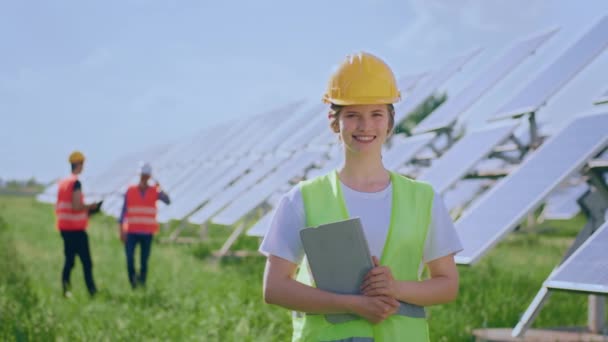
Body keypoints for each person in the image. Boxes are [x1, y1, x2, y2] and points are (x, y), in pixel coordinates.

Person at [260, 52, 463, 341]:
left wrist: (395, 288)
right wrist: (352, 305)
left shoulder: (424, 198)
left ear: (390, 122)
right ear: (334, 122)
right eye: (353, 115)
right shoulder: (301, 198)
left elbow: (447, 284)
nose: (365, 126)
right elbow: (275, 288)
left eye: (376, 114)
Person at [55, 150, 102, 297]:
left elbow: (65, 206)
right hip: (76, 230)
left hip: (64, 227)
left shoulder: (63, 182)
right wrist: (91, 207)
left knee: (69, 260)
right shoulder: (75, 183)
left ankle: (65, 290)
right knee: (86, 262)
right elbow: (76, 206)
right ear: (80, 164)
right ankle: (92, 291)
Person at [118, 162, 170, 289]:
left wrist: (160, 187)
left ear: (149, 176)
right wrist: (121, 231)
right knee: (130, 259)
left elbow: (168, 201)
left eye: (146, 175)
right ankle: (133, 283)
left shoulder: (154, 191)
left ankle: (142, 283)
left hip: (147, 233)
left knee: (144, 261)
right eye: (143, 175)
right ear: (139, 175)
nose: (144, 178)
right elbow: (123, 212)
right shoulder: (130, 190)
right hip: (131, 231)